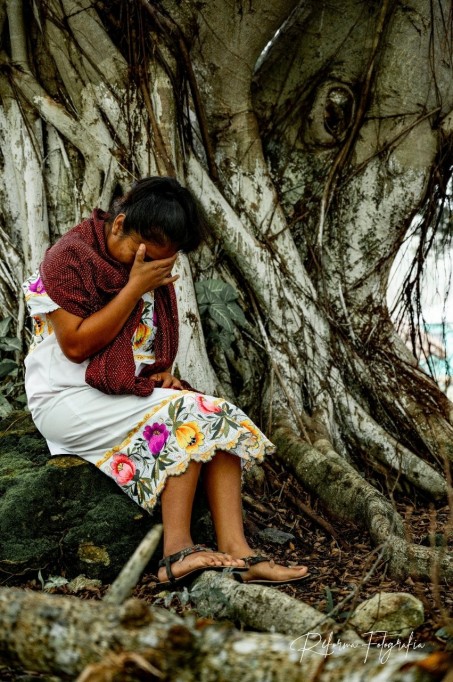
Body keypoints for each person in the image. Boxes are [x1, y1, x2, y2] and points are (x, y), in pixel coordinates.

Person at [23, 176, 309, 586]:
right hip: (64, 399)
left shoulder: (147, 268)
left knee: (217, 414)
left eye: (160, 262)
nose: (142, 266)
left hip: (115, 395)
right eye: (141, 255)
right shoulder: (69, 259)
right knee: (184, 415)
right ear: (119, 224)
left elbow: (138, 345)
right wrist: (135, 286)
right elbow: (75, 346)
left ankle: (240, 552)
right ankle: (176, 553)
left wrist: (156, 375)